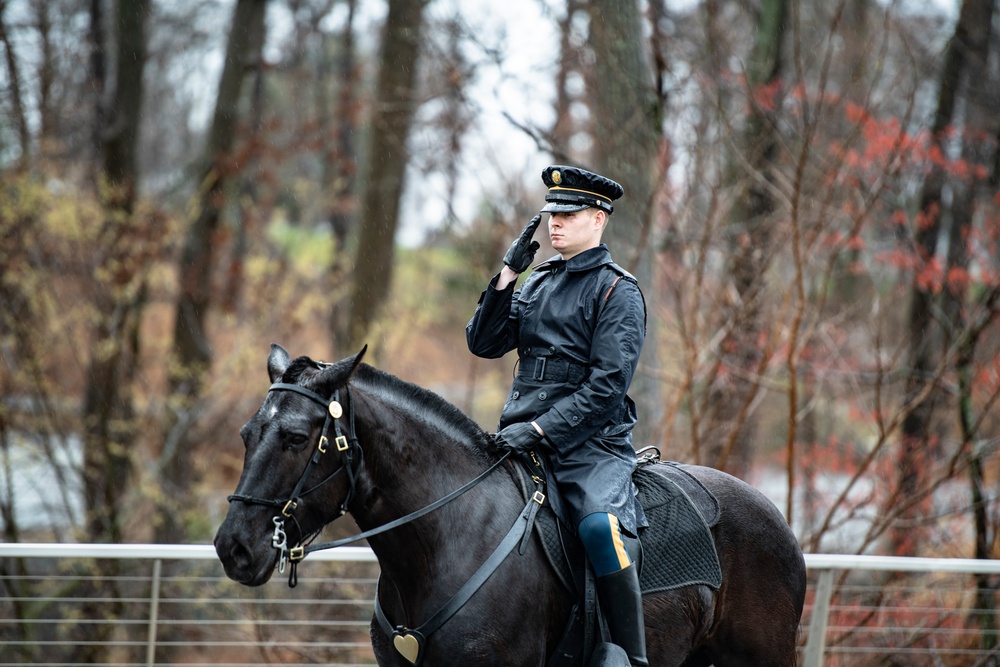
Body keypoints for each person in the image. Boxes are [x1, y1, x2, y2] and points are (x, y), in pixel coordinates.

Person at [466, 165, 648, 666]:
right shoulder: (538, 280)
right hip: (519, 436)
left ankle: (631, 657)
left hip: (590, 446)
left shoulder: (618, 292)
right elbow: (484, 343)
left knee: (596, 529)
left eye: (567, 214)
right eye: (551, 214)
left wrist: (543, 428)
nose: (554, 224)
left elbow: (607, 389)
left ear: (598, 219)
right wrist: (507, 275)